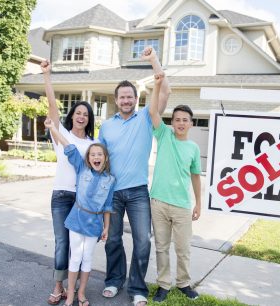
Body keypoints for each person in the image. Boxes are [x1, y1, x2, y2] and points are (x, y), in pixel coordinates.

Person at [99, 46, 168, 306]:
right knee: (113, 240)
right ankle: (114, 281)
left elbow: (164, 92)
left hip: (139, 191)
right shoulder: (106, 125)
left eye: (130, 97)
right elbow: (99, 159)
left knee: (142, 241)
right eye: (122, 97)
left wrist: (154, 61)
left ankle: (137, 287)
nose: (126, 101)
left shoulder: (146, 119)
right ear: (116, 100)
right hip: (112, 192)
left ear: (136, 99)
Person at [41, 60, 95, 305]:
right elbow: (52, 106)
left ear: (89, 119)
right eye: (78, 112)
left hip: (83, 200)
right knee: (62, 241)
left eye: (86, 114)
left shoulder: (93, 144)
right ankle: (58, 286)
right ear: (72, 115)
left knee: (80, 246)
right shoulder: (59, 135)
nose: (81, 116)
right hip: (62, 196)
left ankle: (75, 289)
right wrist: (47, 76)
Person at [44, 117, 115, 306]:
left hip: (94, 224)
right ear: (88, 158)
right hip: (76, 219)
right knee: (75, 256)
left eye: (100, 154)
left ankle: (81, 293)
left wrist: (106, 228)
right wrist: (53, 128)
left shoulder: (110, 180)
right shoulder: (82, 168)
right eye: (93, 155)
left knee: (87, 258)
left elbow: (108, 206)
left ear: (105, 158)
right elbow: (68, 146)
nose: (96, 157)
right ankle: (69, 297)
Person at [148, 72, 202, 302]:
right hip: (159, 202)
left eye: (185, 120)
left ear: (191, 123)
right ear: (172, 123)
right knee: (161, 247)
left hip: (181, 205)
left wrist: (198, 203)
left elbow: (196, 177)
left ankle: (183, 283)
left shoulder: (193, 148)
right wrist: (156, 86)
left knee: (183, 249)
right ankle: (163, 284)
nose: (180, 123)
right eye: (177, 119)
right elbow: (152, 112)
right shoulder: (164, 136)